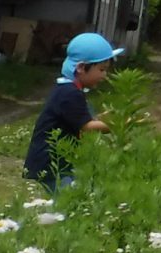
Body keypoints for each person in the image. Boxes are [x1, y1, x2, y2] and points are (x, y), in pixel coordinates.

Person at [25, 32, 119, 191]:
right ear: (81, 67)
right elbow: (87, 127)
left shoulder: (68, 89)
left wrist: (102, 118)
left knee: (73, 195)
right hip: (52, 163)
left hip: (59, 161)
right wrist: (119, 124)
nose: (105, 75)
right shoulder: (69, 93)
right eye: (102, 69)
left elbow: (78, 118)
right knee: (69, 199)